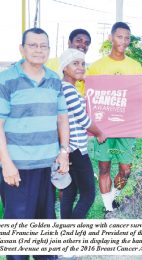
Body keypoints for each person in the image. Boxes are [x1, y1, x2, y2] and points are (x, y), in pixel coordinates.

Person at [0, 27, 69, 259]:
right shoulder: (6, 80)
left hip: (47, 166)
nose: (39, 50)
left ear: (49, 50)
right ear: (22, 49)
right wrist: (6, 163)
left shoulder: (54, 80)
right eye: (33, 45)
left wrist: (64, 152)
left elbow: (62, 118)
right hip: (17, 169)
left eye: (43, 46)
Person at [87, 22, 142, 213]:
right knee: (104, 168)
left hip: (127, 127)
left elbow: (140, 96)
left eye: (127, 37)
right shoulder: (96, 67)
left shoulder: (135, 67)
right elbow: (88, 97)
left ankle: (113, 196)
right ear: (111, 38)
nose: (124, 41)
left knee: (126, 169)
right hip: (104, 128)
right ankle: (109, 208)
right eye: (120, 36)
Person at [59, 48, 107, 219]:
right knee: (88, 195)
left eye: (83, 63)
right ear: (64, 67)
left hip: (68, 149)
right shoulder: (69, 90)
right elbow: (83, 119)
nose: (81, 67)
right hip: (77, 149)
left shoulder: (64, 88)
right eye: (75, 63)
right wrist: (100, 132)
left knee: (70, 192)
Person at [46, 28, 91, 96]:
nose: (83, 45)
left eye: (86, 43)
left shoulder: (87, 70)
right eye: (79, 41)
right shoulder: (49, 64)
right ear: (69, 42)